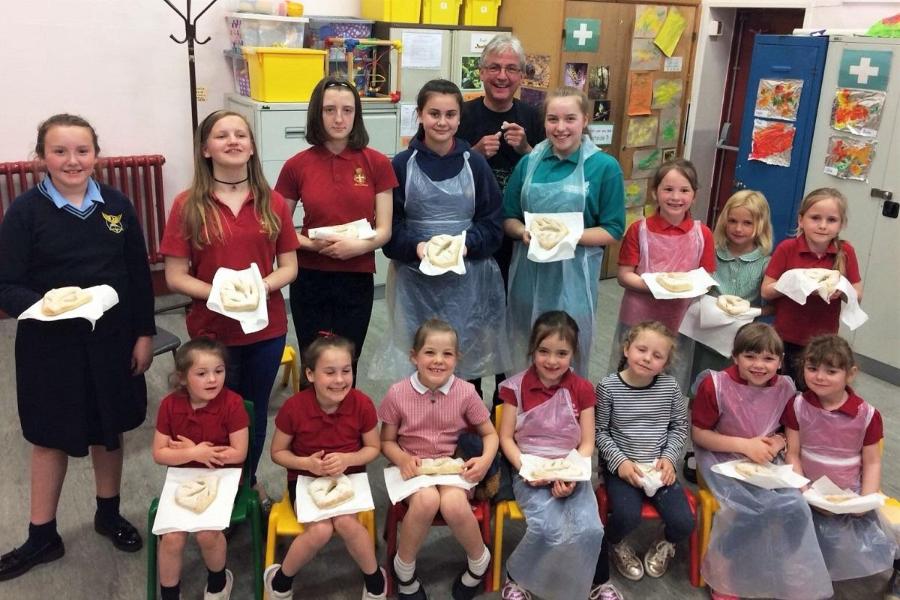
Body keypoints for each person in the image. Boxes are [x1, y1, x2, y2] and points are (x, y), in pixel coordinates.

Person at [0, 114, 155, 580]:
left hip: (112, 340)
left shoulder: (117, 205)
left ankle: (107, 513)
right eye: (60, 151)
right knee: (49, 436)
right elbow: (6, 283)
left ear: (96, 155)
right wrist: (47, 306)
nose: (72, 160)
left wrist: (144, 332)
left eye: (82, 151)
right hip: (50, 345)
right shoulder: (25, 212)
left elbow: (138, 276)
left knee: (109, 428)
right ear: (41, 157)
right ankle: (41, 533)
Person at [160, 110, 300, 505]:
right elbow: (175, 276)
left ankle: (246, 483)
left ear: (252, 147)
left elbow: (289, 267)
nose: (233, 141)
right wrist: (220, 294)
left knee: (251, 417)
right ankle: (215, 487)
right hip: (211, 332)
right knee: (215, 413)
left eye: (241, 134)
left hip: (265, 328)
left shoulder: (272, 201)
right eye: (222, 136)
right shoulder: (188, 204)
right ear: (206, 149)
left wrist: (257, 288)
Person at [379, 79, 508, 385]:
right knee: (419, 364)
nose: (442, 121)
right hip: (415, 283)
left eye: (450, 114)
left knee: (463, 363)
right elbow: (389, 230)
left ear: (460, 118)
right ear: (420, 115)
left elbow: (493, 225)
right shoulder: (401, 165)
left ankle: (466, 428)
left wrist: (464, 246)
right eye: (434, 113)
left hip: (468, 285)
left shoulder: (475, 164)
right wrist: (418, 247)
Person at [691, 323, 831, 600]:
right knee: (745, 507)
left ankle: (786, 562)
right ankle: (723, 565)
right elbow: (699, 434)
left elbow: (787, 430)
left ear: (780, 362)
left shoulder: (786, 387)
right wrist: (744, 445)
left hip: (766, 459)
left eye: (768, 358)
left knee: (795, 504)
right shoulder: (715, 385)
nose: (759, 365)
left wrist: (778, 442)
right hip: (721, 456)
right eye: (750, 357)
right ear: (735, 357)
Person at [274, 78, 396, 381]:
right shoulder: (296, 165)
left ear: (357, 115)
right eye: (330, 110)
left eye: (347, 110)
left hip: (356, 277)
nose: (339, 118)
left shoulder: (377, 163)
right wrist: (315, 246)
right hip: (311, 276)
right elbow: (280, 226)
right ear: (317, 113)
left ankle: (344, 427)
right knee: (313, 362)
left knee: (346, 364)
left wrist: (360, 246)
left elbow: (384, 230)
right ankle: (310, 426)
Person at [503, 87, 625, 376]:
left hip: (574, 282)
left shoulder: (604, 167)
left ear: (584, 120)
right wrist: (522, 231)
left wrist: (567, 237)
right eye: (552, 119)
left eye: (570, 118)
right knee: (526, 350)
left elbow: (613, 229)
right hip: (527, 277)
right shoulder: (528, 163)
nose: (560, 128)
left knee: (566, 354)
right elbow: (508, 217)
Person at [379, 319, 498, 600]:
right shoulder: (398, 393)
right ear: (414, 356)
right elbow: (386, 441)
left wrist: (484, 460)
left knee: (454, 503)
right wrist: (402, 457)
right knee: (427, 500)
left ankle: (479, 559)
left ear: (457, 359)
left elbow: (490, 434)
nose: (438, 361)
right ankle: (404, 569)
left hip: (450, 465)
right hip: (412, 466)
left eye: (447, 354)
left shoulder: (466, 392)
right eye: (430, 352)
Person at [497, 311, 608, 600]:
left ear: (573, 354)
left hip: (571, 468)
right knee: (548, 528)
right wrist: (527, 469)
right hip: (528, 469)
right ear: (532, 349)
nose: (551, 360)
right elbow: (506, 437)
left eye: (562, 353)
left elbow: (587, 443)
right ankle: (517, 578)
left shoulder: (582, 389)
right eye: (543, 351)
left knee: (590, 528)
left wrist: (568, 472)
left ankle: (589, 584)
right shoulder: (515, 387)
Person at [264, 334, 384, 600]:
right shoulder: (294, 407)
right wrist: (305, 463)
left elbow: (373, 448)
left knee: (346, 524)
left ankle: (375, 579)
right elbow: (277, 453)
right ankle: (282, 579)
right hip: (304, 479)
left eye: (346, 371)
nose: (340, 380)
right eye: (329, 372)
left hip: (349, 476)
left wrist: (348, 459)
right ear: (310, 374)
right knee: (320, 530)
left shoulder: (362, 403)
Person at [784, 335, 897, 585]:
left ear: (850, 373)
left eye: (831, 371)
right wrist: (806, 491)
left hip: (850, 494)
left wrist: (864, 501)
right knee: (796, 533)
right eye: (812, 368)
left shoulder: (867, 415)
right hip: (808, 488)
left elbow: (872, 462)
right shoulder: (798, 405)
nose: (819, 377)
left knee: (878, 534)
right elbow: (792, 452)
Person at [595, 321, 694, 585]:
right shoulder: (608, 387)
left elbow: (679, 427)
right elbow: (601, 431)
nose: (647, 358)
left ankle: (665, 542)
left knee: (684, 522)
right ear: (627, 349)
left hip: (659, 466)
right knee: (626, 516)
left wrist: (670, 459)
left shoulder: (670, 388)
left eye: (657, 356)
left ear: (665, 363)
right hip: (623, 467)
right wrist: (620, 463)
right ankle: (614, 543)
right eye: (642, 349)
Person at [153, 337, 249, 600]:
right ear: (183, 378)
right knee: (171, 537)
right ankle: (170, 593)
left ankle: (218, 581)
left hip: (223, 477)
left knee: (208, 534)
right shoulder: (169, 406)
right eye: (202, 373)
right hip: (183, 476)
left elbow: (239, 452)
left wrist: (189, 453)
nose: (212, 379)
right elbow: (159, 454)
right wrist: (194, 452)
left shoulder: (232, 404)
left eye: (219, 371)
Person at [613, 158, 715, 391]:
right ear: (654, 193)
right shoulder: (639, 230)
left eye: (684, 190)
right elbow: (624, 275)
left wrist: (685, 286)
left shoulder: (703, 234)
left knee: (671, 378)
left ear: (694, 195)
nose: (676, 197)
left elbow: (706, 278)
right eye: (668, 189)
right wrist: (659, 286)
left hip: (679, 318)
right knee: (630, 373)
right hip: (638, 314)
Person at [457, 33, 545, 285]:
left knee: (515, 309)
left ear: (521, 75)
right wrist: (473, 155)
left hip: (520, 234)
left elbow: (551, 175)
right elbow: (439, 171)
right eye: (494, 67)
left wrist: (528, 149)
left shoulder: (535, 117)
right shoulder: (461, 115)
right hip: (472, 232)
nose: (502, 76)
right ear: (481, 72)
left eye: (511, 69)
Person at [761, 188, 862, 384]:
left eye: (831, 220)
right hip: (785, 337)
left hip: (823, 342)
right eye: (815, 218)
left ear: (842, 224)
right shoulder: (787, 249)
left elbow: (857, 293)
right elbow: (766, 290)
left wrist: (842, 292)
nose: (823, 226)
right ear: (801, 220)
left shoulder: (846, 251)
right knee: (782, 390)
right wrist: (793, 284)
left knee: (813, 391)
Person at [689, 190, 773, 378]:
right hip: (706, 338)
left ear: (760, 226)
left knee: (734, 388)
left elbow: (773, 307)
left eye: (747, 223)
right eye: (733, 221)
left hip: (743, 342)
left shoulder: (765, 264)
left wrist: (750, 312)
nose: (738, 229)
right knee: (701, 383)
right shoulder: (711, 253)